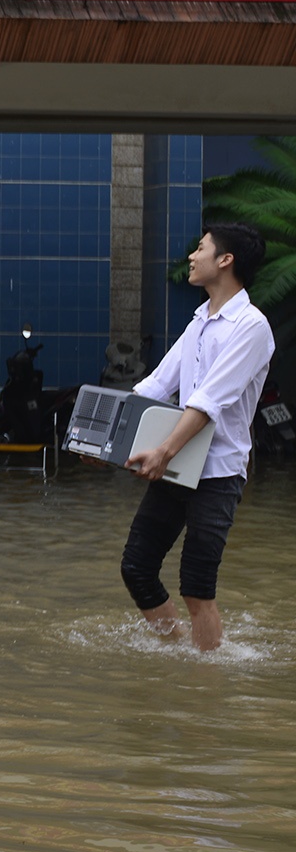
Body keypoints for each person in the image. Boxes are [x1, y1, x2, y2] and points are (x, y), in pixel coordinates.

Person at [121, 222, 274, 652]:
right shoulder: (199, 322)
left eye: (200, 248)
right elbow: (155, 385)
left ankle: (206, 676)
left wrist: (164, 452)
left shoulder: (251, 326)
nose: (192, 256)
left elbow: (208, 402)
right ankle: (178, 654)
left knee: (197, 588)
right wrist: (106, 437)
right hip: (177, 465)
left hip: (217, 473)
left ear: (225, 260)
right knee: (137, 568)